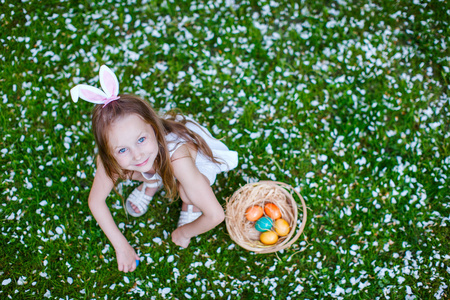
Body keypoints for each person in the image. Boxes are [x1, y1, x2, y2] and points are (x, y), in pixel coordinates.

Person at [70, 65, 238, 273]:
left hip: (191, 161)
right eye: (122, 149)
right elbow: (95, 201)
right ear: (107, 150)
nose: (137, 154)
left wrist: (185, 233)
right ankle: (153, 182)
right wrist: (121, 246)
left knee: (187, 191)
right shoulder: (116, 158)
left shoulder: (178, 158)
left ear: (154, 127)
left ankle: (189, 204)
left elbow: (215, 215)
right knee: (124, 168)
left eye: (141, 139)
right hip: (157, 159)